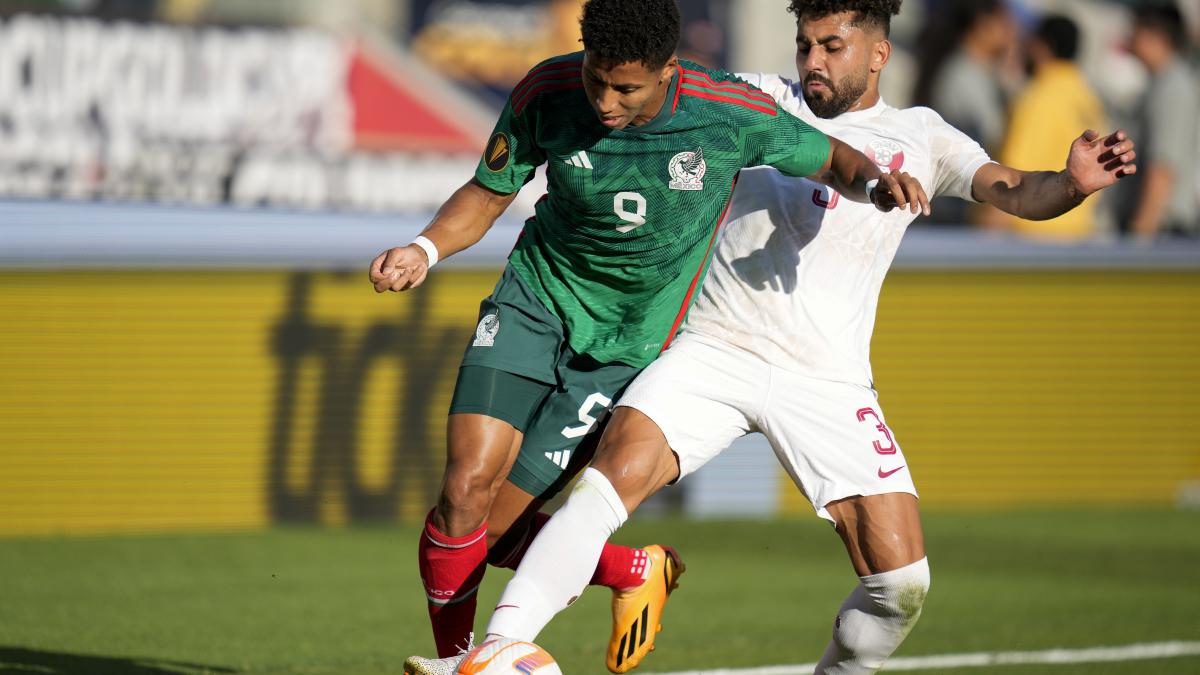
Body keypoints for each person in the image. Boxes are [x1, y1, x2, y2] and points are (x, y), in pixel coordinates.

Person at [458, 0, 1138, 674]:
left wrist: (1070, 186)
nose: (812, 61)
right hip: (713, 347)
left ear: (879, 53)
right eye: (805, 44)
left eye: (831, 47)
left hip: (828, 377)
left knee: (901, 584)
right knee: (608, 481)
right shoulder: (751, 99)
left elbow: (1014, 189)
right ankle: (496, 653)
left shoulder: (923, 136)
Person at [369, 1, 925, 673]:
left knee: (488, 531)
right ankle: (463, 664)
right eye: (595, 79)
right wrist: (424, 249)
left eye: (625, 88)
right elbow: (488, 192)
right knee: (462, 493)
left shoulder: (725, 112)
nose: (604, 101)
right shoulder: (547, 91)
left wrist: (876, 184)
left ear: (668, 69)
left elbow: (832, 157)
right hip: (536, 297)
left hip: (625, 346)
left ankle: (633, 568)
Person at [994, 14, 1108, 241]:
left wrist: (986, 241)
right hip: (1079, 230)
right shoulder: (1087, 96)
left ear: (1041, 47)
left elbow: (1007, 180)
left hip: (1032, 235)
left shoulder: (1038, 97)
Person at [1123, 3, 1198, 240]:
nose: (1129, 37)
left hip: (1164, 231)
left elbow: (1162, 168)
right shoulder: (1163, 83)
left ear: (1153, 36)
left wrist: (1140, 236)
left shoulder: (1173, 88)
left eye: (1134, 30)